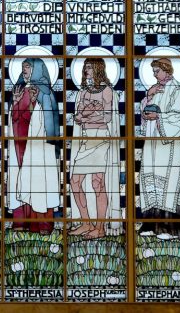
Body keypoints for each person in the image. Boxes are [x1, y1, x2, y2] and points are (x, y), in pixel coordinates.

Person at [138, 58, 180, 238]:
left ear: (167, 70)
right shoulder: (155, 89)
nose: (155, 75)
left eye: (157, 71)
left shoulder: (177, 90)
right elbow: (144, 113)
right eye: (153, 71)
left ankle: (170, 227)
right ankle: (151, 225)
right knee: (152, 183)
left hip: (169, 146)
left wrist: (159, 117)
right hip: (152, 145)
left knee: (169, 185)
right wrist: (148, 97)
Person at [7, 58, 60, 234]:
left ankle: (42, 225)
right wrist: (15, 103)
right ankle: (22, 222)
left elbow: (48, 122)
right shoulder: (19, 90)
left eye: (28, 67)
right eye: (23, 67)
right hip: (19, 142)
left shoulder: (45, 93)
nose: (24, 71)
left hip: (39, 145)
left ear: (37, 69)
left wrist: (34, 103)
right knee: (20, 179)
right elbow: (15, 118)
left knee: (38, 181)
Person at [69, 58, 119, 239]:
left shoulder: (107, 91)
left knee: (97, 183)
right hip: (86, 139)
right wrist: (88, 113)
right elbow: (77, 117)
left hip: (100, 138)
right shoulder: (83, 92)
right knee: (75, 182)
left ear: (98, 69)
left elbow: (107, 118)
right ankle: (86, 223)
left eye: (89, 67)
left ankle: (100, 228)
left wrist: (87, 114)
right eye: (85, 67)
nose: (86, 70)